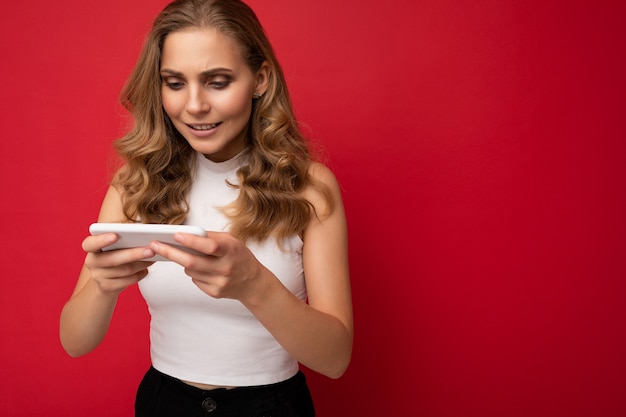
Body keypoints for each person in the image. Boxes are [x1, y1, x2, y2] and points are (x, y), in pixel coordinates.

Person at [59, 0, 353, 415]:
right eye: (175, 83)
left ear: (260, 79)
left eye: (217, 82)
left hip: (271, 405)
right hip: (164, 403)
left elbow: (335, 359)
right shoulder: (134, 184)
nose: (194, 105)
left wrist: (255, 284)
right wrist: (103, 287)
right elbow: (74, 341)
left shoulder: (308, 187)